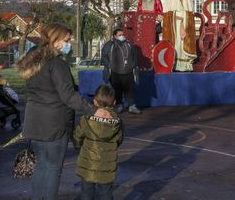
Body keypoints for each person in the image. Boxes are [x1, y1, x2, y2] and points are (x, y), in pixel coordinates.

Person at [15, 22, 111, 200]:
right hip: (54, 123)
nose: (69, 43)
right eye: (67, 40)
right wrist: (93, 110)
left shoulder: (34, 60)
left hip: (34, 121)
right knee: (53, 169)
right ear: (56, 40)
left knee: (42, 166)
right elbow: (69, 96)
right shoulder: (57, 65)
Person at [73, 84, 123, 200]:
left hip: (88, 163)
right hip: (107, 163)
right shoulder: (117, 121)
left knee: (86, 192)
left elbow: (77, 136)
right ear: (114, 103)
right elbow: (119, 140)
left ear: (95, 102)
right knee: (106, 193)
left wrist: (79, 148)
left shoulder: (87, 118)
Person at [101, 28, 141, 114]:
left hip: (128, 71)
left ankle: (132, 106)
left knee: (129, 90)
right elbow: (104, 56)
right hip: (115, 72)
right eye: (120, 35)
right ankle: (119, 105)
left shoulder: (129, 44)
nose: (122, 36)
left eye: (123, 34)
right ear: (115, 36)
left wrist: (134, 65)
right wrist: (109, 65)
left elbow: (135, 56)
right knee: (117, 90)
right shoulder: (109, 45)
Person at [162, 0, 196, 71]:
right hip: (174, 26)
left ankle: (185, 65)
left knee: (183, 44)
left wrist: (184, 22)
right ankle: (174, 64)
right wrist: (177, 19)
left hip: (185, 25)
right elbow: (167, 15)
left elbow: (190, 15)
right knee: (176, 44)